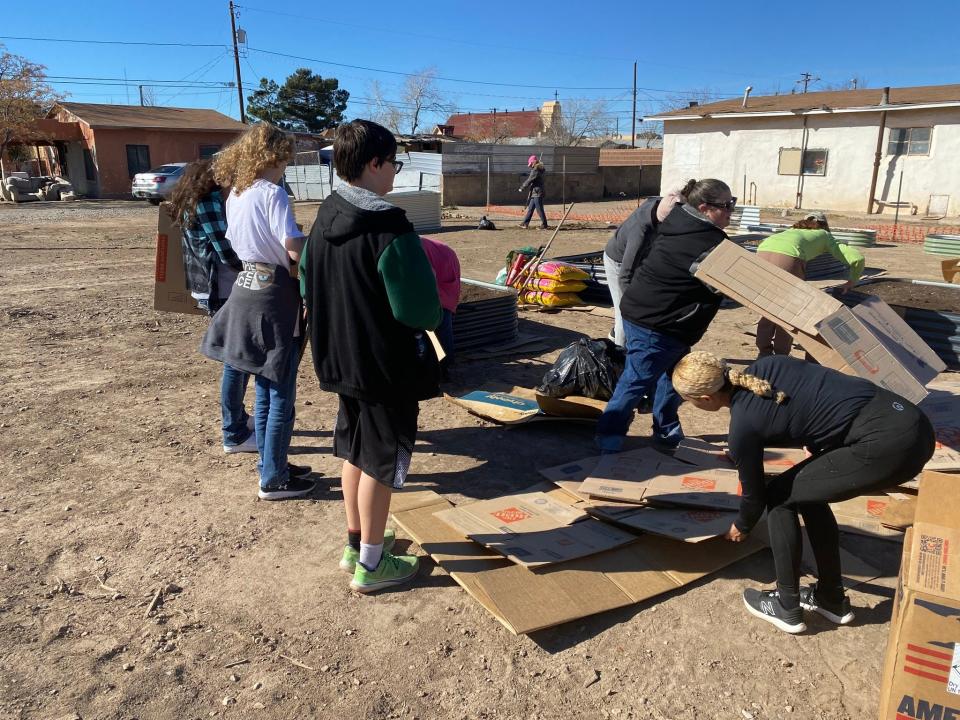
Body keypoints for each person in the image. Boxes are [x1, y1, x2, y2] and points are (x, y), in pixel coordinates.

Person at [672, 351, 935, 634]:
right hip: (911, 421)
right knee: (807, 490)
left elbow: (755, 494)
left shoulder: (743, 427)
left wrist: (743, 524)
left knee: (779, 496)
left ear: (706, 399)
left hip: (888, 448)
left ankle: (787, 606)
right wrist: (816, 441)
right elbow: (815, 394)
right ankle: (831, 599)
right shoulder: (770, 364)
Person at [300, 119, 442, 593]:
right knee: (383, 464)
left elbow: (304, 280)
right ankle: (373, 566)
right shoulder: (390, 227)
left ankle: (355, 545)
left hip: (339, 360)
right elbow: (417, 308)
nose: (396, 173)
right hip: (385, 367)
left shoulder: (326, 214)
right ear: (375, 163)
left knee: (354, 455)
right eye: (394, 163)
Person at [201, 123, 315, 500]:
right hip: (276, 295)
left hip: (247, 286)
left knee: (264, 384)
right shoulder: (274, 194)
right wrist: (306, 276)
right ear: (276, 156)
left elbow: (238, 243)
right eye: (288, 155)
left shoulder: (237, 193)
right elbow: (293, 249)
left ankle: (271, 464)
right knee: (279, 389)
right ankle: (274, 479)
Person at [595, 178, 735, 453]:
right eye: (727, 205)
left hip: (666, 321)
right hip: (658, 323)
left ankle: (666, 428)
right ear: (705, 208)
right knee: (637, 380)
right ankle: (608, 436)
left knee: (675, 378)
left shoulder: (681, 223)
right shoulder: (704, 241)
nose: (732, 210)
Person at [166, 160, 258, 455]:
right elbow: (226, 251)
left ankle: (240, 420)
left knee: (237, 359)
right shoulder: (208, 203)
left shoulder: (195, 201)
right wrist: (258, 266)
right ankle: (234, 433)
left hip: (212, 286)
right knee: (237, 360)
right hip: (222, 287)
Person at [755, 211, 865, 357]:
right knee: (788, 311)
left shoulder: (792, 231)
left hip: (760, 253)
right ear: (824, 225)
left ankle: (764, 352)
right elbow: (857, 258)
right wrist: (852, 280)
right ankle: (781, 356)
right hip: (789, 257)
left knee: (768, 306)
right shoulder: (824, 235)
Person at [602, 190, 683, 346]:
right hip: (617, 262)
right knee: (624, 314)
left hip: (641, 258)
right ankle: (619, 357)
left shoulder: (662, 202)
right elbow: (625, 276)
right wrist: (633, 305)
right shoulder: (640, 234)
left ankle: (615, 336)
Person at [420, 236, 461, 370]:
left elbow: (429, 277)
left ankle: (445, 365)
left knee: (441, 315)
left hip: (444, 267)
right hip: (441, 261)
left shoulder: (412, 250)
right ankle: (442, 363)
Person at [518, 155, 547, 230]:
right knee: (530, 209)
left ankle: (544, 225)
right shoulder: (539, 169)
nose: (530, 166)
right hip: (535, 192)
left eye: (531, 164)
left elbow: (530, 179)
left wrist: (522, 187)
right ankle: (525, 223)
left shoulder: (536, 170)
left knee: (539, 209)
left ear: (534, 162)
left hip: (537, 192)